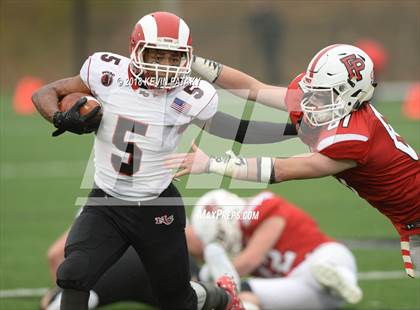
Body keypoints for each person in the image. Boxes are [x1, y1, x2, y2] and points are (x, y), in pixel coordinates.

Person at [32, 10, 299, 310]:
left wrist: (296, 128)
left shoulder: (190, 96)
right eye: (158, 56)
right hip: (106, 203)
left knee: (178, 301)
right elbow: (47, 92)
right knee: (72, 273)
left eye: (175, 58)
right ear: (136, 50)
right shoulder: (106, 73)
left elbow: (239, 129)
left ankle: (223, 297)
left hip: (156, 207)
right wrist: (59, 116)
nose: (166, 67)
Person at [165, 44, 420, 278]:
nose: (310, 100)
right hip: (408, 217)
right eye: (312, 90)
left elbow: (283, 169)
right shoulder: (321, 102)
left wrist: (213, 164)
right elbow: (253, 88)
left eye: (323, 95)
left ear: (353, 95)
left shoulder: (353, 136)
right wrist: (193, 62)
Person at [41, 190, 361, 310]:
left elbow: (246, 262)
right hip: (300, 283)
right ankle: (336, 277)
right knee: (237, 295)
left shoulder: (265, 209)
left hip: (317, 263)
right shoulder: (172, 223)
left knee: (243, 290)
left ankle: (336, 276)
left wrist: (58, 290)